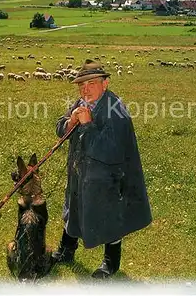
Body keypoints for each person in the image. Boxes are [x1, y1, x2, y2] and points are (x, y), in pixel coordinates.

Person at [52, 59, 152, 279]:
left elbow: (110, 151)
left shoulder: (116, 111)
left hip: (109, 177)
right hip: (81, 172)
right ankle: (66, 250)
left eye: (91, 83)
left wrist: (87, 124)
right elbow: (60, 129)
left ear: (105, 84)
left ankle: (111, 263)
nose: (85, 89)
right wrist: (70, 122)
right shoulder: (82, 102)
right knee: (75, 208)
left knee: (109, 215)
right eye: (81, 85)